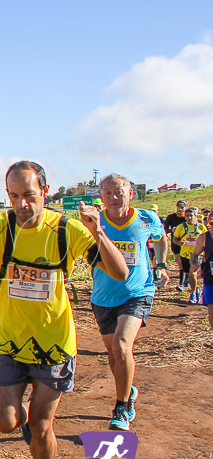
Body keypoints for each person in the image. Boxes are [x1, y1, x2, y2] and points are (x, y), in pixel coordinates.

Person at [0, 161, 127, 459]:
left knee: (42, 425)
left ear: (45, 192)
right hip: (11, 344)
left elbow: (119, 273)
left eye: (29, 196)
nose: (22, 205)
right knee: (5, 421)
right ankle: (28, 423)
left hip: (55, 345)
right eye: (14, 196)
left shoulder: (66, 229)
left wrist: (99, 232)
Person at [89, 174, 168, 431]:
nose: (114, 197)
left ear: (130, 193)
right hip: (103, 295)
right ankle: (129, 389)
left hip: (138, 291)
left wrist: (162, 264)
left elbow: (161, 238)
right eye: (108, 193)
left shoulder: (146, 218)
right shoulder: (94, 221)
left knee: (122, 345)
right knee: (114, 353)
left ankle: (121, 407)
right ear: (102, 197)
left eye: (119, 192)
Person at [172, 207, 207, 304]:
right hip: (184, 254)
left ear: (195, 216)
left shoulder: (201, 227)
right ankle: (196, 290)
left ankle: (193, 293)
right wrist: (179, 243)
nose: (189, 218)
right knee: (188, 273)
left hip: (196, 255)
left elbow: (206, 240)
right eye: (187, 216)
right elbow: (175, 239)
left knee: (193, 273)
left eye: (191, 215)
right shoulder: (181, 227)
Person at [188, 227, 213, 330]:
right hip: (210, 276)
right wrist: (194, 264)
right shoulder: (204, 237)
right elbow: (195, 254)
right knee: (211, 307)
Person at [163, 200, 188, 290]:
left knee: (185, 262)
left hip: (186, 243)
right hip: (175, 241)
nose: (180, 209)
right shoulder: (171, 217)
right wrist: (171, 230)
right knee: (179, 261)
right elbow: (165, 229)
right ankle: (185, 277)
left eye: (182, 207)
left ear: (185, 208)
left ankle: (183, 281)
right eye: (179, 207)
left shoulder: (187, 217)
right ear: (176, 207)